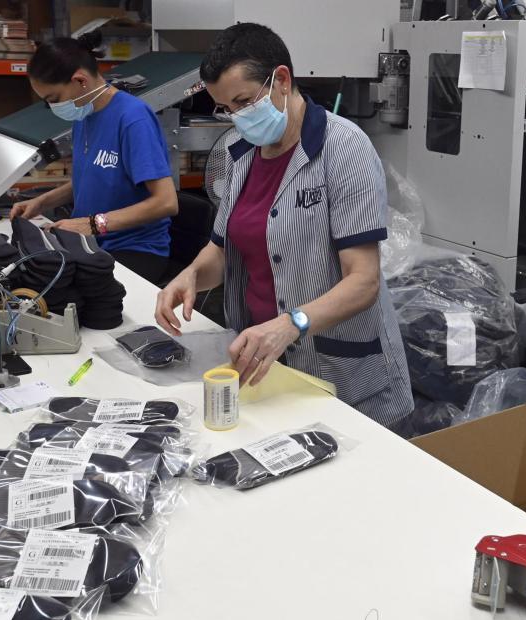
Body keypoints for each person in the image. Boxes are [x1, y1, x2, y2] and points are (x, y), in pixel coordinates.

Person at [154, 23, 413, 428]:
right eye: (226, 108)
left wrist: (291, 324)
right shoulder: (240, 157)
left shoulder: (345, 149)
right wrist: (190, 275)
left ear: (282, 80)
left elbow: (363, 281)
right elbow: (222, 251)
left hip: (341, 376)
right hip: (267, 368)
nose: (237, 118)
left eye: (243, 100)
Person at [9, 34, 178, 284]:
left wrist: (92, 224)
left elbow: (166, 203)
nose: (54, 107)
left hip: (134, 250)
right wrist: (42, 202)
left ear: (80, 80)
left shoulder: (133, 118)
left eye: (53, 100)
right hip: (92, 243)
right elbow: (93, 176)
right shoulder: (84, 115)